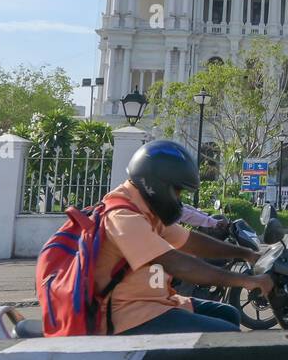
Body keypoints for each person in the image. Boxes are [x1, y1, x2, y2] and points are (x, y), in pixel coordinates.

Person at [93, 139, 274, 335]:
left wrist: (246, 254)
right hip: (129, 316)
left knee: (228, 314)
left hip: (156, 303)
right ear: (155, 184)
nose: (179, 200)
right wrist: (246, 281)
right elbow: (177, 263)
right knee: (226, 333)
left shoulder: (146, 210)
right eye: (177, 191)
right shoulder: (124, 217)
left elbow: (191, 242)